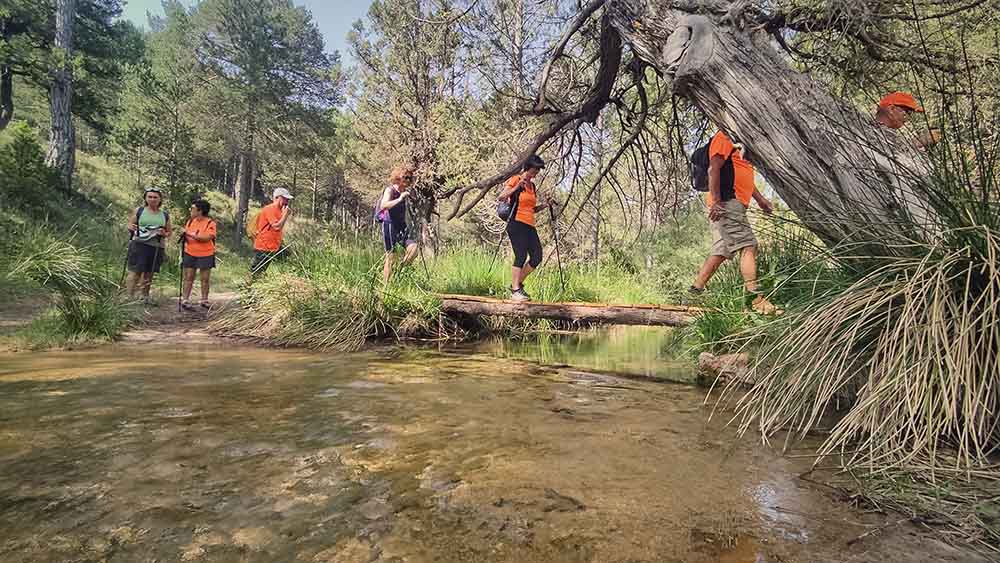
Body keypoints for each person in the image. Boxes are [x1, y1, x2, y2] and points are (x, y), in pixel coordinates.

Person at [689, 132, 780, 315]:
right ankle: (755, 300)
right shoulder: (725, 137)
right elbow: (713, 169)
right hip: (726, 204)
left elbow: (743, 175)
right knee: (748, 245)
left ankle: (695, 291)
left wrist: (761, 200)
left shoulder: (739, 143)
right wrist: (716, 202)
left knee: (721, 251)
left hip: (729, 204)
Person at [498, 154, 552, 302]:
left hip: (529, 224)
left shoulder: (532, 186)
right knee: (521, 255)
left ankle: (516, 284)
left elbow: (531, 208)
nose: (535, 174)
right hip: (516, 222)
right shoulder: (516, 179)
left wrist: (545, 205)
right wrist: (517, 186)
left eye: (537, 171)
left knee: (537, 256)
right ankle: (515, 291)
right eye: (534, 170)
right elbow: (502, 197)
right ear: (527, 168)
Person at [126, 187, 172, 303]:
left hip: (156, 246)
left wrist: (164, 233)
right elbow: (130, 225)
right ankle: (129, 297)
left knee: (149, 272)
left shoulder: (165, 215)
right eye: (150, 197)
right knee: (135, 271)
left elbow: (169, 232)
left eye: (155, 197)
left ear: (160, 199)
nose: (152, 199)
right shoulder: (139, 210)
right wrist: (132, 227)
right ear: (145, 198)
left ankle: (144, 297)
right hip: (138, 244)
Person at [378, 166, 419, 282]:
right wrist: (400, 199)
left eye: (410, 178)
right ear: (398, 177)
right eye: (405, 177)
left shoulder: (405, 192)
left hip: (401, 226)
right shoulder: (390, 190)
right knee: (391, 257)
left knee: (413, 249)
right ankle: (387, 287)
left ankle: (398, 273)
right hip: (389, 225)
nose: (407, 180)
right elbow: (384, 205)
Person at [179, 199, 217, 310]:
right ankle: (185, 299)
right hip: (190, 252)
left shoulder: (210, 223)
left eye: (193, 208)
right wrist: (184, 236)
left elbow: (207, 238)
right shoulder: (190, 222)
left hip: (206, 254)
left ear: (200, 211)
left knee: (205, 278)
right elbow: (187, 235)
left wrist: (190, 234)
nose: (190, 210)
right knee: (188, 277)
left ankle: (204, 300)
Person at [250, 187, 293, 276]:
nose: (287, 201)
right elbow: (276, 227)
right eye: (285, 198)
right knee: (256, 271)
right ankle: (247, 286)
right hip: (263, 246)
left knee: (289, 258)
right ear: (277, 197)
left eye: (288, 199)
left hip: (273, 246)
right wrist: (285, 215)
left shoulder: (280, 211)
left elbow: (278, 228)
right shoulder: (270, 209)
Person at [875, 91, 939, 147]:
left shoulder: (880, 131)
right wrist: (921, 141)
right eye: (908, 112)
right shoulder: (875, 132)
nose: (908, 117)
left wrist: (921, 141)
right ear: (891, 109)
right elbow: (896, 149)